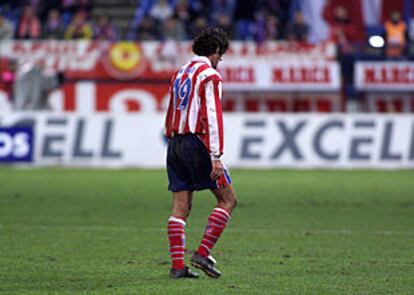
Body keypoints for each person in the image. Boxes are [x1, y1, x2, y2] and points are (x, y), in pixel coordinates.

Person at [164, 27, 237, 279]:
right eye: (221, 55)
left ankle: (177, 267)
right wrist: (215, 155)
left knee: (180, 207)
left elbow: (171, 108)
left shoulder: (179, 73)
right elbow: (213, 116)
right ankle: (203, 253)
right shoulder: (210, 76)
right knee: (228, 200)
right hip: (198, 145)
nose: (220, 61)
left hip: (174, 143)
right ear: (215, 51)